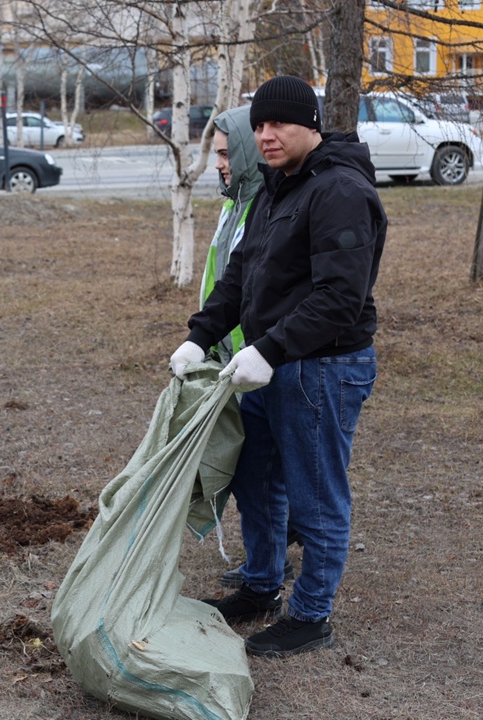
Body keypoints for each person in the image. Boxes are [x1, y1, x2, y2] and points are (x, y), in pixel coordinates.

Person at [171, 75, 386, 657]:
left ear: (310, 125)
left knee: (315, 496)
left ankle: (311, 616)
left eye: (279, 124)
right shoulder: (276, 187)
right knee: (255, 481)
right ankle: (261, 585)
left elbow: (340, 297)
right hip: (269, 362)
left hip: (323, 368)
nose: (266, 135)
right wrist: (200, 336)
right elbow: (241, 274)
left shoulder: (339, 190)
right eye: (259, 125)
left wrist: (268, 350)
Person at [199, 105, 302, 589]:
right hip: (233, 358)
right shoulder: (235, 203)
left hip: (262, 360)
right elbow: (226, 280)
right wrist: (203, 339)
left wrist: (254, 350)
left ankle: (274, 563)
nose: (219, 164)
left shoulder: (264, 200)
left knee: (264, 473)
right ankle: (266, 561)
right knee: (253, 473)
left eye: (225, 153)